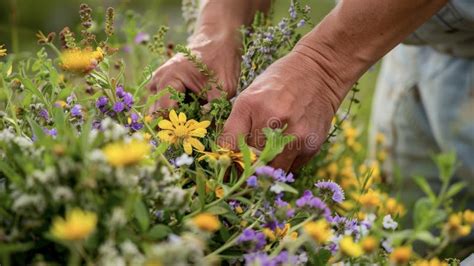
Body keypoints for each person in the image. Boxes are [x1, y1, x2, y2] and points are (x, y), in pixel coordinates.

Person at [148, 0, 474, 198]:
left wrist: (324, 65)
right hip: (413, 39)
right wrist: (219, 30)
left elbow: (326, 64)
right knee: (409, 238)